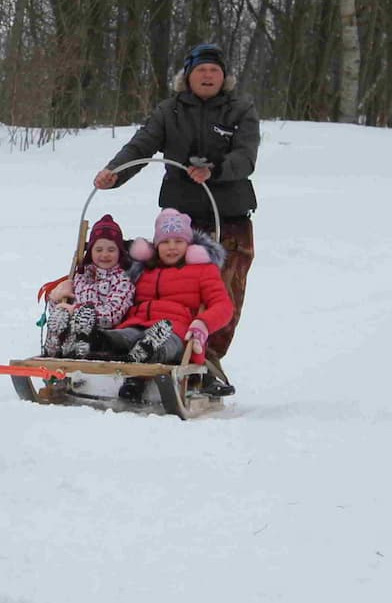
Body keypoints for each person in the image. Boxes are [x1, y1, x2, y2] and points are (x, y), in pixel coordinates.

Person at [92, 43, 258, 392]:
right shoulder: (170, 111)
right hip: (179, 223)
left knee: (222, 297)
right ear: (187, 77)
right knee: (173, 294)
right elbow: (141, 146)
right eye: (201, 70)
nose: (208, 76)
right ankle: (158, 354)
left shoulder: (241, 109)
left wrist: (217, 171)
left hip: (228, 220)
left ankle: (206, 364)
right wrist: (114, 172)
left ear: (224, 77)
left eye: (215, 70)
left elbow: (246, 156)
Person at [92, 210, 233, 393]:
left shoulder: (203, 270)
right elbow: (103, 271)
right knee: (125, 337)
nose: (171, 247)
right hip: (137, 324)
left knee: (165, 342)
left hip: (176, 329)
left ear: (189, 245)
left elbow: (223, 305)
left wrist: (203, 324)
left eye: (178, 241)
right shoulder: (143, 269)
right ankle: (103, 341)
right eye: (165, 242)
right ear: (156, 245)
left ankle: (150, 351)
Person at [37, 215, 136, 358]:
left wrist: (78, 311)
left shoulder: (122, 280)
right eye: (99, 249)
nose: (105, 254)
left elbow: (113, 315)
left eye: (111, 250)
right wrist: (56, 300)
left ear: (119, 252)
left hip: (100, 333)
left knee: (83, 318)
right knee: (61, 314)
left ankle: (77, 345)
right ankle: (56, 344)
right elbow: (64, 307)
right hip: (72, 325)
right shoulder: (81, 276)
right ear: (91, 252)